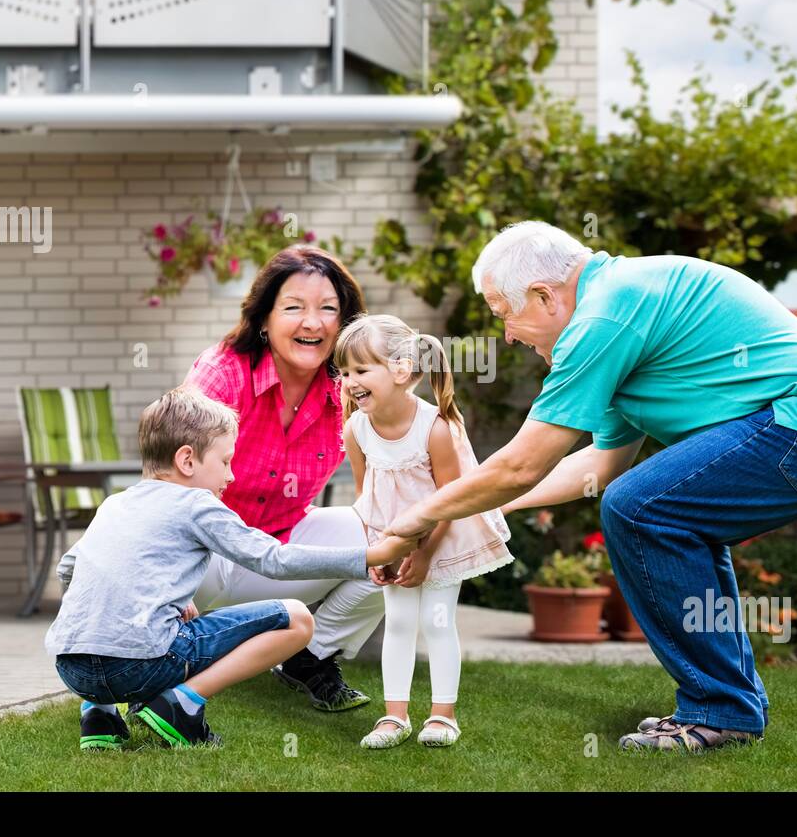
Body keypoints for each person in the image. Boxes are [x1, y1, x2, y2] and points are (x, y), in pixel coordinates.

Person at [385, 221, 797, 753]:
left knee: (640, 508)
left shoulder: (604, 314)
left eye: (504, 314)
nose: (509, 334)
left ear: (544, 296)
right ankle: (729, 708)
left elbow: (522, 463)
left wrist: (414, 519)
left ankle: (719, 710)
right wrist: (478, 509)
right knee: (661, 511)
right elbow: (598, 464)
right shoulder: (619, 305)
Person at [45, 387, 417, 749]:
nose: (232, 475)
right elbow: (273, 559)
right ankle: (181, 704)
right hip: (140, 667)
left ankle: (100, 714)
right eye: (225, 461)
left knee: (123, 637)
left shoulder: (115, 504)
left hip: (73, 669)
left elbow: (68, 569)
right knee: (297, 618)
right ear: (187, 460)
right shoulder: (197, 505)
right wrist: (369, 555)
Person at [183, 246, 383, 713]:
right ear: (264, 319)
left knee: (389, 536)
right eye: (294, 308)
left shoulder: (348, 389)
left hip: (274, 554)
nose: (312, 323)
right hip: (202, 559)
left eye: (328, 309)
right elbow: (176, 483)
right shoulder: (223, 372)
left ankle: (308, 658)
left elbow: (382, 481)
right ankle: (177, 655)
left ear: (345, 324)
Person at [335, 314, 513, 749]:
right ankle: (394, 717)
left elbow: (452, 500)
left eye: (360, 370)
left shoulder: (435, 428)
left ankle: (442, 715)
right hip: (392, 541)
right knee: (397, 621)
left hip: (441, 537)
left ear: (399, 370)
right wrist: (377, 551)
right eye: (343, 372)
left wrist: (426, 553)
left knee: (436, 621)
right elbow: (366, 496)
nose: (349, 381)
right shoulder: (356, 429)